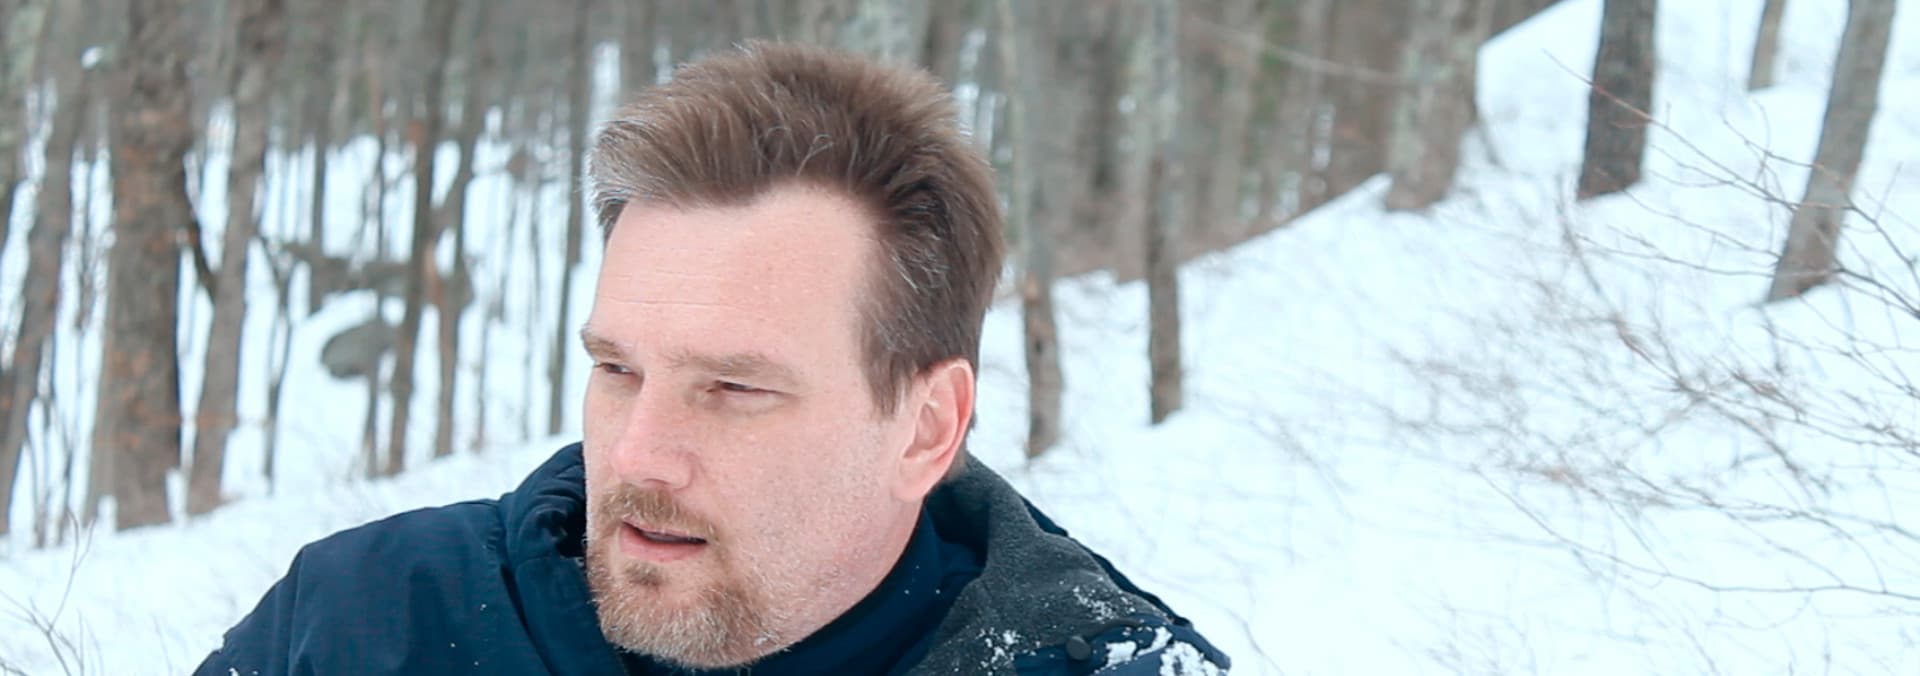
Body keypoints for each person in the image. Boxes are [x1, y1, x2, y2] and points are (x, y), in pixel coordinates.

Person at [196, 42, 1229, 676]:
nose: (636, 454)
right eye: (617, 370)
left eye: (733, 388)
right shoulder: (366, 621)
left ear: (924, 430)